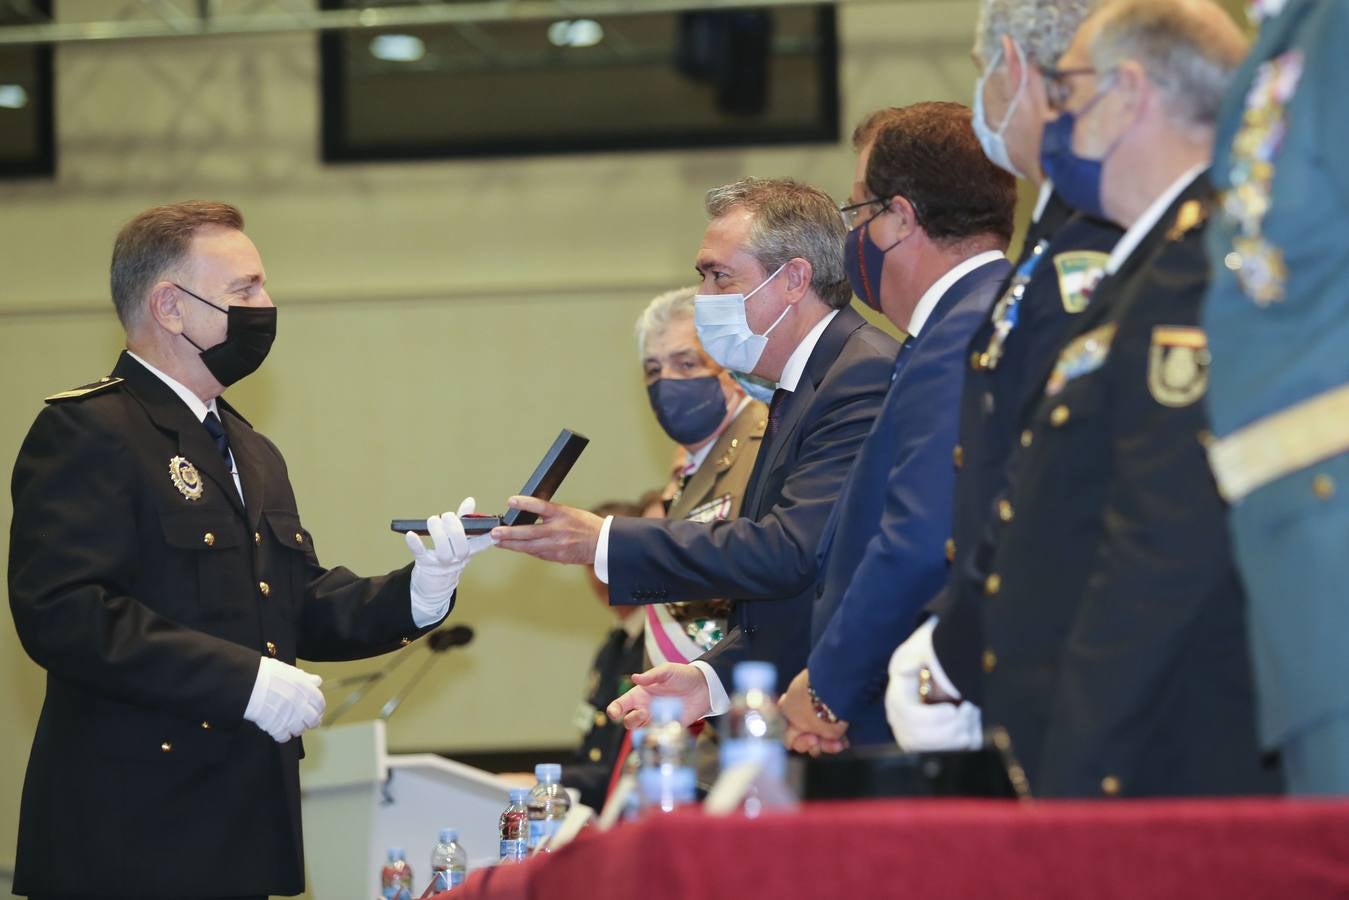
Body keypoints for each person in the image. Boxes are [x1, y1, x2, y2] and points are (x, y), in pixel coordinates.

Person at [7, 201, 486, 899]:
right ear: (170, 306)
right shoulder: (92, 430)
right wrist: (243, 680)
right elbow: (65, 613)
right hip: (130, 836)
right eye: (245, 291)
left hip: (241, 824)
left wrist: (422, 587)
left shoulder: (247, 448)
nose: (267, 306)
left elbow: (296, 604)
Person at [973, 0, 1279, 797]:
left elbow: (1161, 544)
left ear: (1129, 92)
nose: (1056, 114)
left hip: (1155, 754)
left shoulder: (1196, 270)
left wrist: (1081, 762)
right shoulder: (1146, 267)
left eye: (1067, 88)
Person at [494, 177, 900, 728]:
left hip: (857, 719)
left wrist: (603, 539)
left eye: (719, 276)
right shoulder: (802, 384)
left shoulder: (860, 374)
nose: (705, 298)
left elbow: (791, 553)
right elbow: (800, 591)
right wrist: (711, 681)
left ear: (793, 280)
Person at [885, 0, 1123, 753]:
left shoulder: (1091, 242)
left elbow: (1057, 478)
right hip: (1014, 653)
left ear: (1013, 69)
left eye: (981, 74)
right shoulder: (1052, 242)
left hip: (1059, 662)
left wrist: (957, 645)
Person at [776, 102, 1017, 751]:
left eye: (857, 212)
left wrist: (827, 685)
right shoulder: (986, 317)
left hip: (920, 714)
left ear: (900, 218)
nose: (852, 235)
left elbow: (918, 538)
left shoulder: (958, 336)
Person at [635, 286, 768, 668]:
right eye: (653, 370)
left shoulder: (761, 446)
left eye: (687, 363)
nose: (667, 382)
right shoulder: (689, 470)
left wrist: (604, 541)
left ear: (728, 368)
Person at [562, 499, 649, 810]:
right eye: (590, 563)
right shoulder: (614, 644)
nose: (599, 575)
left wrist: (552, 783)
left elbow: (623, 766)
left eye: (608, 560)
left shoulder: (656, 646)